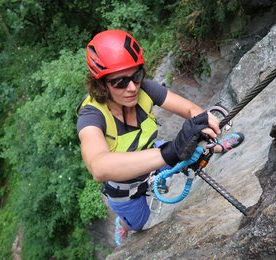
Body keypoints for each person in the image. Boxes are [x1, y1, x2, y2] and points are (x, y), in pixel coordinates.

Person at [76, 30, 244, 246]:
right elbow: (99, 167)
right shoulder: (91, 115)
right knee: (139, 223)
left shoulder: (145, 89)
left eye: (136, 76)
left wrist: (201, 123)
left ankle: (217, 147)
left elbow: (190, 109)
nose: (132, 88)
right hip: (125, 187)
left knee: (194, 152)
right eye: (120, 82)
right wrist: (169, 152)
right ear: (102, 84)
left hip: (151, 154)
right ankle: (124, 224)